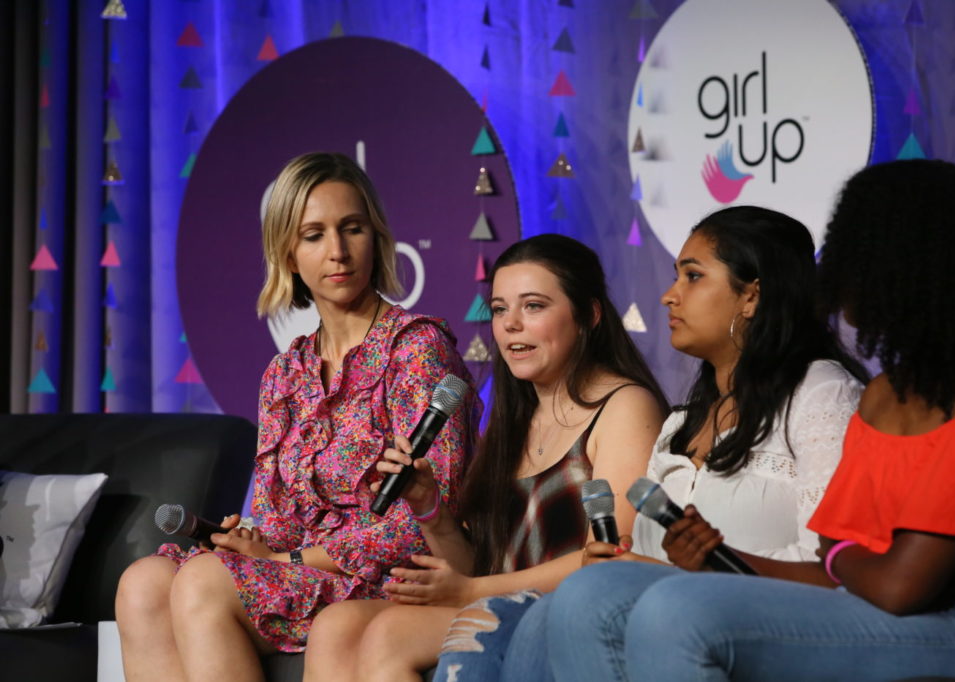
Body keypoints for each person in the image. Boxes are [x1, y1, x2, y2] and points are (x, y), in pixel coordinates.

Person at [546, 159, 955, 681]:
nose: (839, 278)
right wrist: (719, 559)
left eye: (857, 253)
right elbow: (838, 554)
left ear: (907, 264)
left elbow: (896, 583)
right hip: (889, 608)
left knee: (679, 611)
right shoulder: (883, 396)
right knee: (591, 590)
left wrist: (844, 557)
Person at [434, 205, 869, 680]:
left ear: (751, 297)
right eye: (499, 309)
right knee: (541, 616)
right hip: (664, 622)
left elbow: (838, 568)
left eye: (693, 277)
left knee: (558, 608)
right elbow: (653, 562)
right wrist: (618, 562)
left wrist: (714, 563)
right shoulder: (681, 423)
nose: (668, 296)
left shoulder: (821, 392)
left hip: (768, 629)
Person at [114, 152, 477, 682]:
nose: (337, 251)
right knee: (143, 583)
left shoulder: (416, 347)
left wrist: (292, 563)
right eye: (314, 235)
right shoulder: (285, 372)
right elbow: (275, 515)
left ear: (375, 237)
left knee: (203, 583)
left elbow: (424, 518)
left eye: (351, 228)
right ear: (287, 253)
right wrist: (253, 544)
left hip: (384, 577)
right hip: (300, 570)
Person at [301, 233, 669, 682]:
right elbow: (479, 565)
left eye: (533, 306)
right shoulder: (513, 419)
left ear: (588, 315)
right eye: (499, 309)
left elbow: (608, 557)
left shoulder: (624, 406)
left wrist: (471, 591)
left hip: (572, 611)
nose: (511, 324)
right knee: (336, 625)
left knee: (391, 633)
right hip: (501, 600)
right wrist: (429, 508)